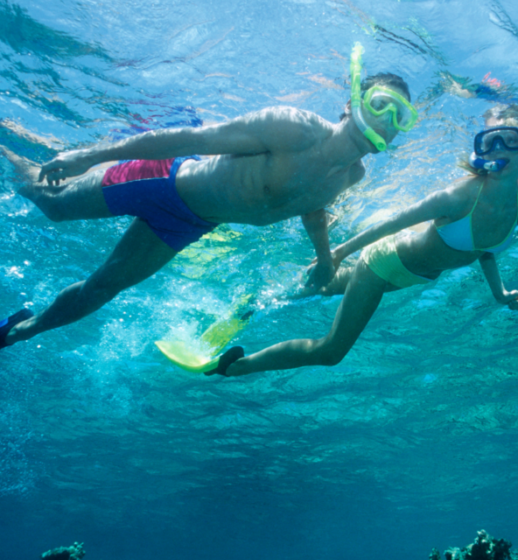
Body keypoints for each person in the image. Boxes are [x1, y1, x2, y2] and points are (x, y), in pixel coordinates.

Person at [0, 45, 418, 349]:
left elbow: (312, 207)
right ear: (352, 103)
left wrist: (326, 261)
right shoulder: (295, 128)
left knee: (101, 289)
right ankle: (8, 149)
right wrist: (87, 155)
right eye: (382, 104)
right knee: (53, 206)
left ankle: (21, 330)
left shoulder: (352, 174)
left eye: (400, 117)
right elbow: (190, 137)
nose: (387, 120)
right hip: (161, 180)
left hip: (188, 224)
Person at [209, 104, 518, 377]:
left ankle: (255, 304)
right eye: (489, 141)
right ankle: (236, 367)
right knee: (331, 352)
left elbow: (484, 249)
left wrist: (499, 293)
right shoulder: (460, 196)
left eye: (509, 140)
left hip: (410, 277)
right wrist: (337, 253)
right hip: (383, 264)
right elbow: (394, 222)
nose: (498, 148)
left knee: (320, 288)